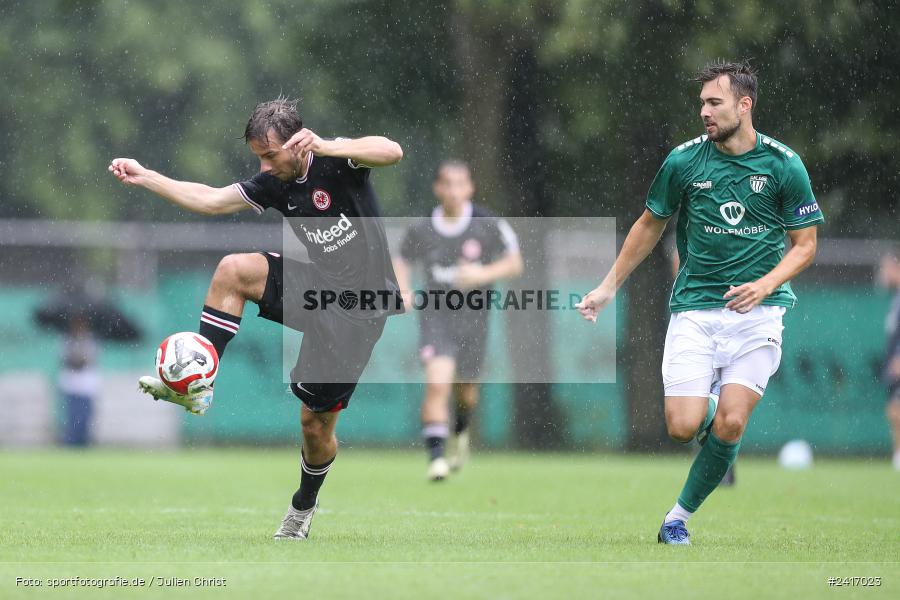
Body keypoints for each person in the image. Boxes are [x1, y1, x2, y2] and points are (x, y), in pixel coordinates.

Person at [108, 97, 403, 539]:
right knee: (234, 270)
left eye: (269, 155)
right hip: (318, 289)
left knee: (315, 424)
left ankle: (303, 507)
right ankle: (200, 383)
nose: (263, 166)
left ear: (297, 144)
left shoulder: (338, 160)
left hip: (360, 309)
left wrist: (331, 145)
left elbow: (391, 150)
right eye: (258, 157)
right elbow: (210, 200)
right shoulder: (276, 182)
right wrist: (147, 176)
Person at [576, 61, 823, 544]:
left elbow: (806, 245)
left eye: (715, 103)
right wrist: (608, 286)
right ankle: (709, 418)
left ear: (744, 105)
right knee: (682, 426)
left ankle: (676, 519)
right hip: (695, 309)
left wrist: (765, 284)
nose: (705, 112)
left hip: (759, 314)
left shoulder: (783, 164)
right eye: (702, 104)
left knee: (732, 421)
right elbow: (649, 225)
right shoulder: (684, 162)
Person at [394, 161, 522, 481]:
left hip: (475, 320)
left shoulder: (488, 224)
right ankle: (436, 459)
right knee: (437, 383)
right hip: (436, 317)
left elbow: (514, 263)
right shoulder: (421, 229)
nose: (453, 191)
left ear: (470, 188)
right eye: (447, 184)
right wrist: (404, 290)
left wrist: (482, 273)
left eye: (460, 184)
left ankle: (460, 431)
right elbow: (402, 259)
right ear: (437, 188)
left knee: (465, 392)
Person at [59, 316, 99, 446]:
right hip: (72, 382)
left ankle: (83, 441)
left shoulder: (90, 341)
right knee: (73, 414)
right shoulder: (67, 341)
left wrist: (79, 358)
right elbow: (66, 359)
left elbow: (89, 359)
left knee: (85, 415)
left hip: (86, 383)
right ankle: (72, 441)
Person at [878, 250, 900, 470]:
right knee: (893, 409)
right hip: (893, 362)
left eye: (887, 268)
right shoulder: (896, 298)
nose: (883, 274)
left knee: (896, 409)